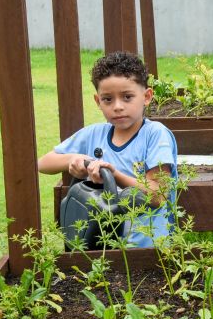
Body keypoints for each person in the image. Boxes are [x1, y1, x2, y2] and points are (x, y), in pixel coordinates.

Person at [38, 51, 178, 248]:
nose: (117, 106)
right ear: (98, 101)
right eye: (108, 99)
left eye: (127, 97)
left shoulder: (155, 134)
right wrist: (78, 160)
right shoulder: (94, 134)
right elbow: (43, 163)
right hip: (99, 249)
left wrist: (113, 175)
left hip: (148, 249)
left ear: (146, 97)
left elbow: (157, 196)